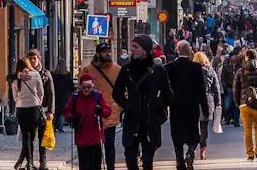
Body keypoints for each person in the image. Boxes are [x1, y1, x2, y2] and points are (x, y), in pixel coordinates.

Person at [113, 34, 174, 170]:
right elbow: (117, 92)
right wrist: (127, 105)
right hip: (132, 119)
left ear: (145, 50)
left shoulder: (158, 70)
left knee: (147, 160)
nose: (132, 50)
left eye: (136, 47)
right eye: (132, 46)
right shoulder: (127, 70)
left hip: (149, 121)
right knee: (130, 159)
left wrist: (157, 108)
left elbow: (168, 94)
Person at [164, 41, 210, 170]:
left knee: (176, 134)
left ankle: (180, 161)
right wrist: (205, 107)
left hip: (176, 107)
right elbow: (201, 90)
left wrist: (165, 106)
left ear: (177, 51)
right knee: (193, 133)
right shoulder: (195, 67)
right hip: (192, 106)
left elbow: (166, 89)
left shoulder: (169, 67)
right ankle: (190, 151)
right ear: (189, 51)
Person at [86, 41, 123, 170]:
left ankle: (110, 167)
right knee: (94, 146)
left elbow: (124, 90)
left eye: (109, 51)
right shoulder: (88, 69)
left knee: (109, 145)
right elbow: (81, 89)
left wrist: (119, 107)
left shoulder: (117, 69)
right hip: (92, 114)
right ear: (98, 54)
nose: (108, 54)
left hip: (111, 112)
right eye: (104, 52)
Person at [65, 73, 113, 170]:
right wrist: (70, 117)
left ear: (92, 86)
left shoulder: (97, 95)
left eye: (89, 87)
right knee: (84, 165)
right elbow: (67, 110)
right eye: (84, 87)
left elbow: (108, 111)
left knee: (96, 165)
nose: (86, 89)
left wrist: (101, 111)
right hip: (81, 137)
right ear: (80, 87)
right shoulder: (75, 96)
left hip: (96, 137)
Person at [11, 58, 46, 170]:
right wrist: (38, 102)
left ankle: (29, 163)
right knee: (32, 136)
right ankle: (29, 163)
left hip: (21, 108)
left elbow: (14, 95)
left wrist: (20, 101)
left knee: (25, 136)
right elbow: (41, 92)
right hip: (34, 108)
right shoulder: (35, 75)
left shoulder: (16, 78)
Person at [26, 50, 56, 170]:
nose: (33, 61)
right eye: (31, 59)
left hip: (43, 110)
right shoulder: (26, 73)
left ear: (39, 59)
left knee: (43, 138)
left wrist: (51, 111)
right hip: (29, 109)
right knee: (30, 137)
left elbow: (51, 93)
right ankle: (30, 162)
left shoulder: (46, 74)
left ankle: (43, 162)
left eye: (35, 58)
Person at [194, 51, 221, 161]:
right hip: (208, 100)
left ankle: (192, 148)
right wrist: (218, 102)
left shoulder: (192, 70)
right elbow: (216, 88)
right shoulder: (210, 71)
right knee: (204, 127)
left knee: (193, 125)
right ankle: (203, 149)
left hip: (194, 101)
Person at [220, 51, 242, 126]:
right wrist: (224, 87)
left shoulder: (240, 67)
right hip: (229, 88)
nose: (234, 58)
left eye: (235, 56)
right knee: (227, 106)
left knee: (237, 106)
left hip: (238, 88)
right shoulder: (226, 66)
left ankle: (236, 121)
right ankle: (227, 118)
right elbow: (223, 78)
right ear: (230, 57)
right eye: (233, 56)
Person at [52, 61, 74, 133]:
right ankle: (60, 127)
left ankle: (55, 126)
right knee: (62, 112)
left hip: (56, 94)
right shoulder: (67, 74)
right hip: (65, 96)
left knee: (55, 111)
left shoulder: (53, 74)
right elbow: (71, 86)